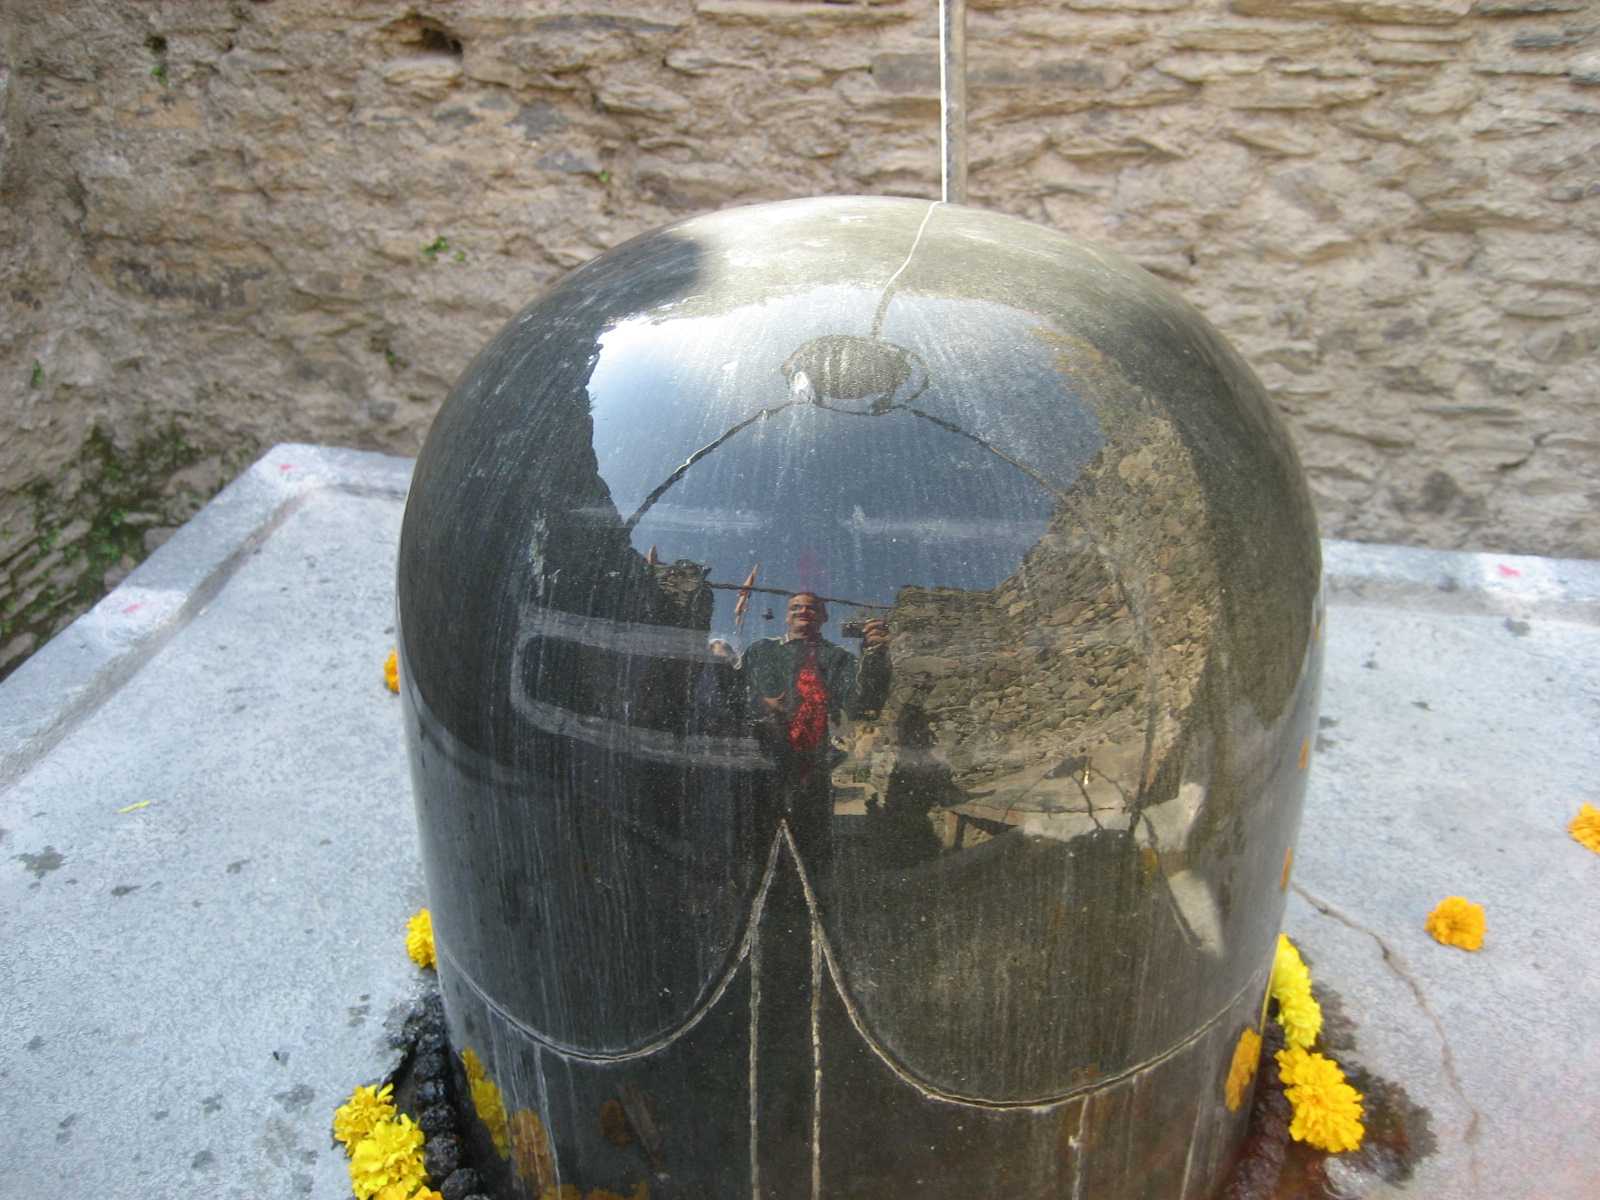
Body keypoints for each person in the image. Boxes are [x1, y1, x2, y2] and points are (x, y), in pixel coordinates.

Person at [739, 592, 890, 865]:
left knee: (810, 849)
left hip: (812, 770)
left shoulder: (838, 659)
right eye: (795, 607)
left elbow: (863, 706)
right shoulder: (760, 651)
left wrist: (874, 654)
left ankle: (807, 904)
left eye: (811, 608)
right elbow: (730, 696)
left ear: (824, 617)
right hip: (760, 765)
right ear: (786, 615)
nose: (802, 611)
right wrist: (761, 703)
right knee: (755, 845)